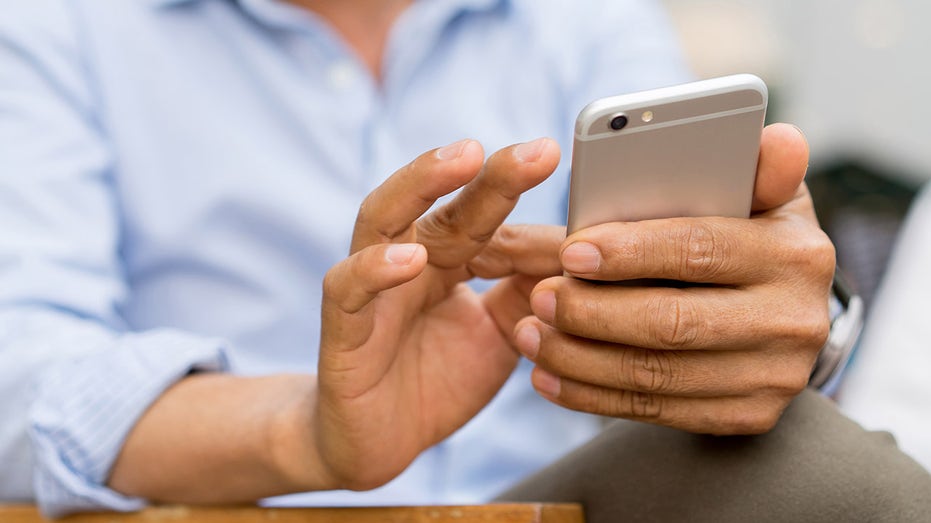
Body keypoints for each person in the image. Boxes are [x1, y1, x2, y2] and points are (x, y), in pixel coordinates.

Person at [0, 0, 928, 521]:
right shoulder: (59, 29)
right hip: (229, 511)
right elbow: (19, 366)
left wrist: (764, 318)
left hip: (551, 506)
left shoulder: (584, 21)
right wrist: (305, 429)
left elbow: (700, 270)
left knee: (823, 473)